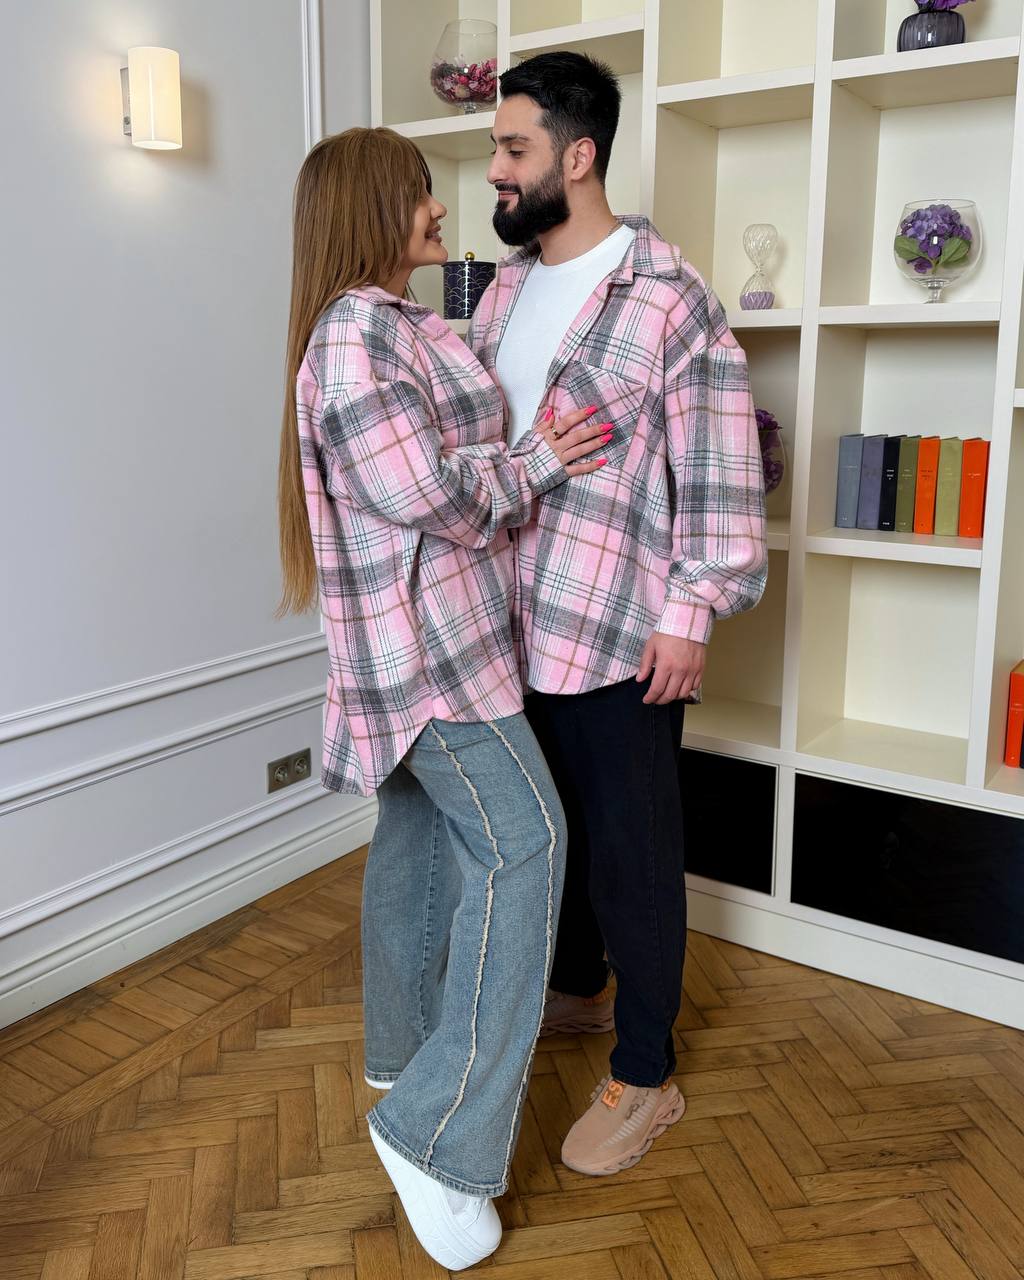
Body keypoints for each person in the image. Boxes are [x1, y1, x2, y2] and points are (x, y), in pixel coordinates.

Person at [277, 126, 609, 1270]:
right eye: (420, 191)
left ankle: (403, 1056)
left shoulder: (397, 323)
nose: (439, 205)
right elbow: (424, 490)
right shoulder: (354, 334)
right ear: (375, 207)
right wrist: (540, 462)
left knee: (420, 842)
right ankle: (436, 1131)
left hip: (440, 642)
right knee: (529, 845)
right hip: (431, 657)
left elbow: (439, 457)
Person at [468, 52, 768, 1177]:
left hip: (620, 628)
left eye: (513, 149)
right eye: (495, 149)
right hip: (508, 624)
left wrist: (692, 610)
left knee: (633, 858)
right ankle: (580, 987)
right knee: (556, 833)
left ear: (578, 155)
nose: (494, 172)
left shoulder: (668, 298)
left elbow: (720, 464)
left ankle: (646, 1073)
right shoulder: (501, 292)